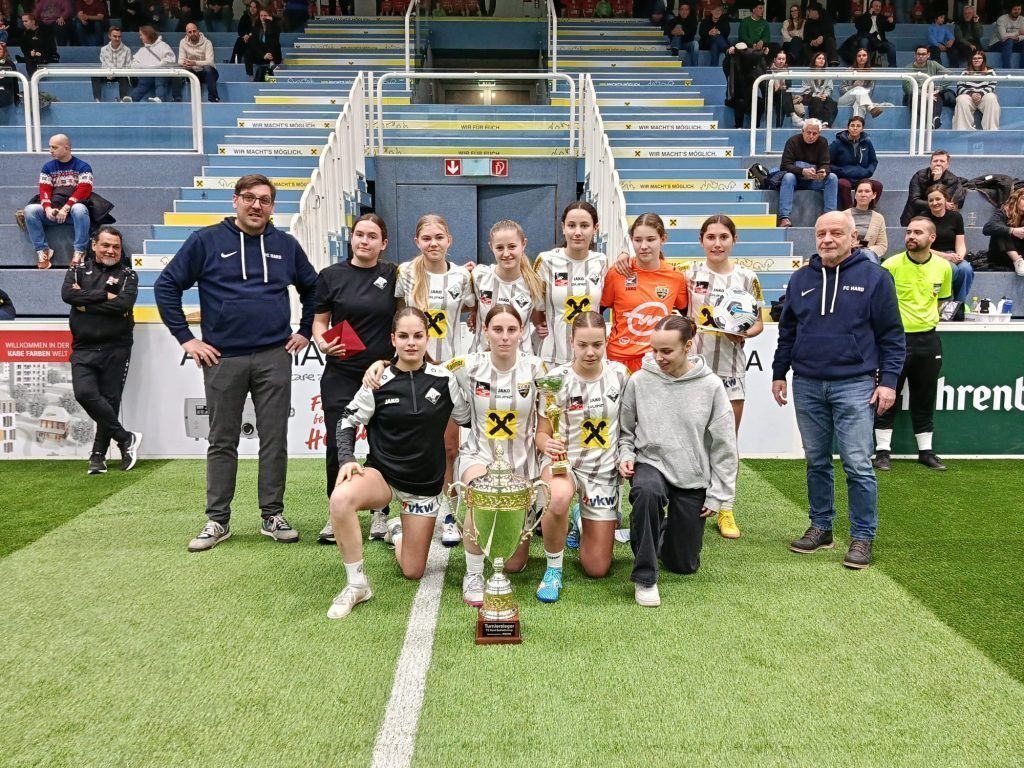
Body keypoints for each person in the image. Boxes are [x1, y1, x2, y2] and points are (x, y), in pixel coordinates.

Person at [153, 174, 319, 553]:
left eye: (264, 200)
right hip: (222, 357)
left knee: (274, 439)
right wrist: (187, 339)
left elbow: (312, 288)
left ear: (273, 207)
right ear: (235, 201)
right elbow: (166, 286)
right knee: (221, 440)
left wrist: (306, 329)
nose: (256, 205)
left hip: (274, 356)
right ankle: (218, 520)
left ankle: (272, 515)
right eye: (249, 197)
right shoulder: (206, 240)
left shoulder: (285, 245)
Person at [772, 211, 904, 570]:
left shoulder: (875, 277)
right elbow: (788, 332)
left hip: (856, 384)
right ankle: (821, 527)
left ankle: (862, 536)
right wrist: (779, 372)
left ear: (853, 238)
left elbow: (892, 336)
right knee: (816, 460)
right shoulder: (801, 279)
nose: (827, 239)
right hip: (808, 383)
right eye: (820, 233)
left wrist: (888, 382)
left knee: (858, 464)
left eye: (835, 233)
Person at [325, 308, 472, 619]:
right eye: (403, 336)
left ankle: (397, 531)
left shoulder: (445, 380)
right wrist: (347, 458)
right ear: (392, 339)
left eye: (418, 336)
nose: (411, 343)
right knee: (340, 499)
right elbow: (347, 421)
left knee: (413, 571)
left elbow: (468, 419)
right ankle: (356, 584)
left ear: (427, 338)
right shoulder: (377, 380)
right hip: (384, 477)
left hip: (424, 488)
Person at [620, 315, 738, 607]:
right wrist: (626, 454)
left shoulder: (710, 387)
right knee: (646, 493)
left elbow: (725, 445)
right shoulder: (639, 381)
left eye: (666, 351)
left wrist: (719, 494)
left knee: (684, 564)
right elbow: (624, 430)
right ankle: (645, 578)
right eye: (654, 350)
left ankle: (653, 529)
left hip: (691, 474)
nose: (658, 357)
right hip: (651, 462)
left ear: (688, 346)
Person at [450, 305, 547, 607]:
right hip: (479, 455)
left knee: (514, 563)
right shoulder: (467, 365)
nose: (504, 337)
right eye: (497, 330)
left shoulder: (537, 369)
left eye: (511, 330)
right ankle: (474, 573)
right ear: (485, 332)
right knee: (478, 491)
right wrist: (379, 365)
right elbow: (420, 366)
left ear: (522, 332)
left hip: (523, 465)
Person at [311, 213, 399, 546]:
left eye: (372, 236)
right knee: (337, 444)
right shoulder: (330, 276)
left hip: (383, 374)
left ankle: (381, 511)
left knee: (383, 444)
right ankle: (338, 511)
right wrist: (322, 340)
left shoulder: (393, 275)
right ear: (351, 239)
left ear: (383, 243)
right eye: (359, 234)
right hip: (341, 374)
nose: (364, 241)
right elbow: (319, 323)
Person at [534, 311, 630, 601]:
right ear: (571, 342)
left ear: (606, 341)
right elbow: (541, 434)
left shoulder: (620, 376)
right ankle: (554, 569)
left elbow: (628, 428)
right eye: (583, 345)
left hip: (602, 471)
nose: (590, 352)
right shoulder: (555, 380)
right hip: (564, 465)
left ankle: (581, 517)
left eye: (597, 345)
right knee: (559, 497)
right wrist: (547, 445)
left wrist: (627, 456)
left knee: (596, 568)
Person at [394, 213, 474, 546]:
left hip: (450, 372)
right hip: (414, 370)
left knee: (450, 447)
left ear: (449, 240)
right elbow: (401, 314)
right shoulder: (406, 273)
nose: (433, 243)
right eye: (427, 238)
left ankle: (451, 515)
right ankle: (406, 515)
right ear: (417, 242)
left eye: (439, 237)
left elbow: (473, 311)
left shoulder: (462, 277)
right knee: (412, 446)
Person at [684, 214, 763, 540]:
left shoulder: (746, 277)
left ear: (733, 240)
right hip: (693, 370)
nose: (717, 243)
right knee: (692, 439)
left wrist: (742, 332)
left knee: (726, 441)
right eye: (711, 237)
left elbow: (758, 323)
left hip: (730, 369)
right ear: (702, 241)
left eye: (723, 237)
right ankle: (691, 499)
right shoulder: (689, 273)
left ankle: (725, 506)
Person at [60, 226, 142, 476]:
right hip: (83, 346)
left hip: (116, 346)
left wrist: (84, 302)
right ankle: (125, 437)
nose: (111, 250)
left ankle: (98, 456)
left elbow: (123, 304)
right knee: (84, 393)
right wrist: (104, 296)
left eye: (116, 246)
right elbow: (66, 295)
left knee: (109, 400)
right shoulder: (76, 270)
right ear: (94, 245)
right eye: (106, 245)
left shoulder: (129, 275)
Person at [872, 218, 952, 473]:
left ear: (932, 238)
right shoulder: (891, 265)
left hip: (928, 340)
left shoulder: (944, 267)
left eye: (918, 232)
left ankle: (926, 452)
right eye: (908, 232)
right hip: (895, 341)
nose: (911, 236)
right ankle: (882, 452)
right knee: (886, 397)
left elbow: (942, 300)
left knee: (925, 396)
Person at [600, 213, 688, 373]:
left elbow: (687, 316)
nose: (644, 246)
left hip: (657, 362)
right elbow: (598, 311)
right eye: (638, 240)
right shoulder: (618, 272)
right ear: (631, 240)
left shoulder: (675, 277)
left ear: (663, 239)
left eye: (651, 239)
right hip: (619, 360)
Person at [533, 202, 606, 367]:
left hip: (591, 358)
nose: (577, 232)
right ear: (563, 227)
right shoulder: (546, 260)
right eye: (572, 225)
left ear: (596, 228)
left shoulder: (601, 261)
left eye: (585, 226)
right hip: (553, 357)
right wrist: (539, 324)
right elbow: (536, 307)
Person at [467, 219, 543, 354]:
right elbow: (470, 305)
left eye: (512, 246)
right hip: (481, 363)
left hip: (521, 365)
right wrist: (473, 313)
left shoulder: (535, 284)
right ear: (491, 247)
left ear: (523, 244)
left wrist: (543, 326)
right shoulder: (479, 276)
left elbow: (541, 320)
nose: (506, 253)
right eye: (500, 248)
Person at [23, 134, 95, 270]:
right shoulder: (47, 168)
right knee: (30, 210)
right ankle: (43, 250)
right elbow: (44, 191)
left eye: (54, 147)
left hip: (74, 215)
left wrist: (66, 208)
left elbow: (84, 191)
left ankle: (80, 251)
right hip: (54, 213)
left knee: (79, 208)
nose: (50, 150)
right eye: (50, 147)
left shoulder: (83, 167)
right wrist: (48, 209)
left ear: (66, 148)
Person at [776, 119, 838, 228]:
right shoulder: (793, 141)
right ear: (802, 131)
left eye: (815, 134)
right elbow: (785, 165)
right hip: (796, 178)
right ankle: (784, 217)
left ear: (819, 134)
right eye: (808, 132)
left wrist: (823, 172)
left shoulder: (823, 142)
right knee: (788, 177)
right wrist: (802, 171)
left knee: (832, 178)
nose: (811, 136)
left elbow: (825, 164)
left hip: (814, 179)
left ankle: (829, 216)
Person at [922, 184, 973, 302]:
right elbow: (923, 247)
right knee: (952, 269)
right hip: (931, 256)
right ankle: (945, 303)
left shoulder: (956, 217)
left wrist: (960, 255)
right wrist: (946, 256)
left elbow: (960, 243)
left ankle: (959, 305)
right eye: (931, 200)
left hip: (952, 255)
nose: (934, 203)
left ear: (946, 199)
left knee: (966, 269)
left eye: (938, 199)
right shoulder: (923, 218)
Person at [829, 115, 882, 210]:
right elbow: (828, 162)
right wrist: (841, 171)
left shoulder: (867, 143)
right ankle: (849, 211)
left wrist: (868, 171)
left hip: (861, 177)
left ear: (862, 128)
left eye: (858, 126)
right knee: (843, 184)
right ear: (848, 127)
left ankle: (866, 210)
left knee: (878, 185)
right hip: (844, 177)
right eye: (852, 125)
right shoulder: (837, 143)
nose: (855, 128)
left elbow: (873, 161)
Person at [899, 149, 965, 225]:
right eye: (935, 161)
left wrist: (937, 181)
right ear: (931, 163)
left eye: (942, 161)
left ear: (947, 165)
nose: (938, 164)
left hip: (937, 219)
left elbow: (940, 203)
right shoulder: (919, 176)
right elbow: (914, 201)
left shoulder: (952, 179)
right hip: (914, 217)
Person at [903, 45, 955, 129]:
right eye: (918, 54)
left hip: (930, 91)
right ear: (915, 55)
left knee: (936, 96)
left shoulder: (933, 64)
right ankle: (930, 120)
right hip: (913, 95)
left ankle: (935, 118)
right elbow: (907, 88)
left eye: (923, 54)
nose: (920, 56)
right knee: (917, 96)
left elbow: (949, 74)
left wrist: (940, 88)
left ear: (928, 55)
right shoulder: (908, 68)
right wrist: (924, 94)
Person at [981, 186, 1024, 276]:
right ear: (1016, 199)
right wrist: (1012, 230)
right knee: (1001, 230)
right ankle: (1017, 261)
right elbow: (987, 228)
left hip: (1021, 253)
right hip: (1002, 256)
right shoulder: (1003, 212)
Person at [126, 25, 175, 103]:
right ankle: (132, 99)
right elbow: (134, 63)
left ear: (147, 34)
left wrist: (157, 67)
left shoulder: (163, 46)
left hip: (162, 74)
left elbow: (170, 59)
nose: (140, 37)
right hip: (148, 74)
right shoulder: (142, 50)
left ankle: (160, 98)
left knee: (159, 79)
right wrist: (144, 68)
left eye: (141, 35)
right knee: (143, 82)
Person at [953, 51, 999, 131]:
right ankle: (963, 130)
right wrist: (971, 94)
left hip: (984, 96)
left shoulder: (991, 72)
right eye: (974, 58)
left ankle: (991, 130)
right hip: (969, 97)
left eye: (979, 58)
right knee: (961, 99)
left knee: (991, 97)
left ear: (983, 60)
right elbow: (960, 87)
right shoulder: (965, 72)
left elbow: (992, 86)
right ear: (971, 60)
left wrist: (980, 94)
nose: (976, 60)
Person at [174, 22, 220, 102]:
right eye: (190, 32)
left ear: (198, 31)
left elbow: (210, 62)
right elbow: (180, 61)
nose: (192, 34)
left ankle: (213, 98)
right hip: (192, 72)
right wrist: (187, 64)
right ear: (187, 33)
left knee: (207, 68)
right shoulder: (183, 42)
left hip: (207, 73)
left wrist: (195, 63)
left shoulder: (207, 43)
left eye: (194, 31)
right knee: (177, 70)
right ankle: (176, 98)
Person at [845, 179, 888, 262]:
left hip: (868, 256)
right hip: (847, 255)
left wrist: (867, 249)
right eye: (860, 191)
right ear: (855, 195)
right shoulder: (843, 216)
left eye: (867, 191)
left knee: (866, 254)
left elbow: (882, 245)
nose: (863, 194)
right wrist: (849, 246)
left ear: (874, 195)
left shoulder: (879, 218)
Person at [836, 47, 885, 121]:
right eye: (859, 56)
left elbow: (870, 92)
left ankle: (857, 124)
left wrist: (860, 89)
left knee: (859, 104)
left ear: (867, 57)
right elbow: (841, 90)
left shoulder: (871, 73)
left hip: (862, 100)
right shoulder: (849, 70)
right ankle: (871, 108)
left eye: (864, 55)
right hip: (845, 100)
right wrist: (853, 86)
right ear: (856, 58)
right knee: (858, 89)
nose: (861, 57)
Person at [842, 0, 896, 67]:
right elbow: (859, 26)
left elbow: (889, 28)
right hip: (867, 40)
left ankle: (893, 67)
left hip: (879, 42)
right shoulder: (863, 17)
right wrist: (868, 15)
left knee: (892, 47)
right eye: (876, 6)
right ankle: (862, 66)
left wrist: (891, 23)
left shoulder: (882, 17)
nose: (878, 8)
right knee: (864, 41)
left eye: (879, 6)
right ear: (871, 7)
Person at [92, 26, 132, 102]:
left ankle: (123, 99)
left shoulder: (127, 50)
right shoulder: (103, 49)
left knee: (124, 76)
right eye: (115, 36)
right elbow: (104, 64)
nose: (117, 39)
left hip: (120, 74)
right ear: (109, 36)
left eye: (119, 37)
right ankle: (97, 99)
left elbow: (128, 66)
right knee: (95, 75)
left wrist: (115, 73)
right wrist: (108, 73)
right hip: (107, 74)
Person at [802, 52, 838, 127]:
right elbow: (806, 89)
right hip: (811, 97)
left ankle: (826, 123)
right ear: (814, 60)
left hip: (823, 97)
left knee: (832, 102)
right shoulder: (807, 73)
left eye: (823, 59)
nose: (821, 60)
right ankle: (817, 124)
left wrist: (825, 95)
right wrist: (816, 95)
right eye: (819, 58)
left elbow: (829, 88)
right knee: (816, 101)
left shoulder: (827, 73)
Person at [246, 8, 280, 82]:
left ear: (269, 16)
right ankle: (251, 76)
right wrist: (263, 55)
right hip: (261, 55)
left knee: (275, 43)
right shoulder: (256, 28)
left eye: (265, 15)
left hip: (272, 53)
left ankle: (272, 63)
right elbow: (254, 45)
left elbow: (274, 41)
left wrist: (269, 23)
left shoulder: (275, 28)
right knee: (249, 50)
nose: (263, 17)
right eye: (261, 16)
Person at [987, 2, 1024, 69]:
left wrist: (1018, 38)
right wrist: (1018, 33)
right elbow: (1003, 36)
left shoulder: (1022, 19)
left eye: (1019, 9)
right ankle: (1007, 69)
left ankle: (1022, 69)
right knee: (1009, 40)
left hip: (1013, 44)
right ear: (1010, 9)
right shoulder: (1002, 19)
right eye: (1015, 9)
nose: (1017, 11)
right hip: (996, 44)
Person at [230, 0, 259, 65]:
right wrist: (245, 35)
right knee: (239, 40)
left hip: (256, 39)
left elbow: (259, 31)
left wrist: (249, 35)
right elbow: (240, 30)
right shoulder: (244, 17)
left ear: (258, 8)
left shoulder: (260, 18)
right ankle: (234, 61)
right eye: (251, 7)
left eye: (254, 7)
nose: (252, 9)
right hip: (245, 39)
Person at [0, 40, 19, 107]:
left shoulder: (10, 64)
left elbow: (14, 82)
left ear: (4, 51)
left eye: (0, 49)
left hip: (6, 93)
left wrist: (17, 99)